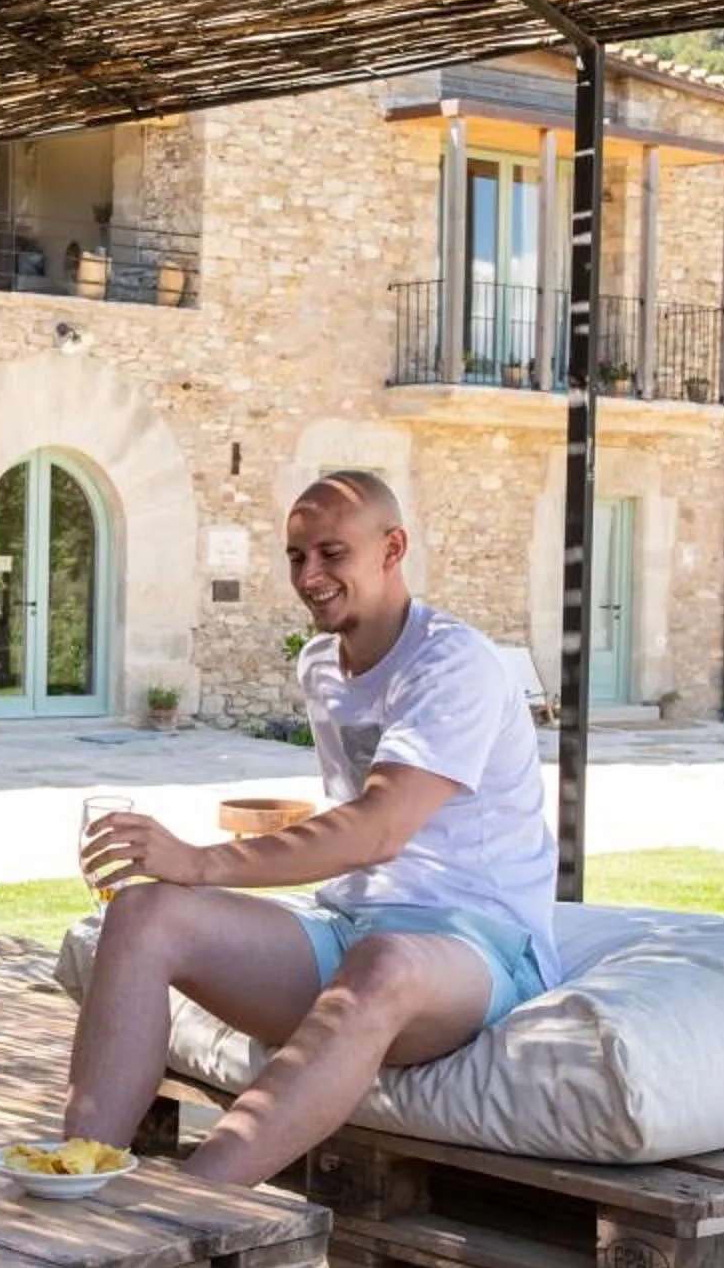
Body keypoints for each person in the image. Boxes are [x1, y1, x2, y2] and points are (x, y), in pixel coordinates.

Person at [65, 471, 560, 1186]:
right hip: (349, 928)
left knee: (386, 963)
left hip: (478, 946)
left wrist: (200, 862)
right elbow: (354, 842)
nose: (310, 575)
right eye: (297, 557)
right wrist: (180, 878)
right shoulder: (322, 664)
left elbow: (378, 828)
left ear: (393, 548)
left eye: (333, 553)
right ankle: (73, 1175)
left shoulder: (454, 665)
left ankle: (198, 1206)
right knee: (145, 914)